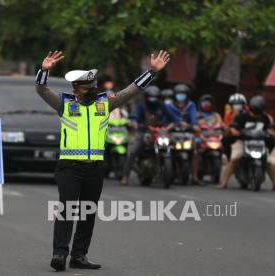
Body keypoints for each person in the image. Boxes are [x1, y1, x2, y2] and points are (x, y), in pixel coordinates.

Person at [34, 50, 170, 271]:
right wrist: (44, 71)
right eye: (86, 88)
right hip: (69, 167)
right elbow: (41, 89)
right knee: (67, 210)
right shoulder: (64, 103)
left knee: (87, 213)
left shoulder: (104, 103)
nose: (91, 91)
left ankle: (79, 255)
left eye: (93, 87)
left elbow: (131, 90)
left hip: (95, 168)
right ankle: (59, 254)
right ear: (75, 88)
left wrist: (152, 72)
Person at [218, 96, 275, 189]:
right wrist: (235, 131)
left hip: (259, 143)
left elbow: (270, 129)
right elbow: (233, 127)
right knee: (234, 159)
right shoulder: (242, 117)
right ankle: (224, 182)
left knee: (269, 162)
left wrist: (271, 133)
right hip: (242, 142)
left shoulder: (266, 118)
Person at [119, 85, 170, 185]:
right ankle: (125, 176)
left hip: (160, 132)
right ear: (146, 97)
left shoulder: (161, 106)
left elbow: (170, 117)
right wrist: (134, 122)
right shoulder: (141, 106)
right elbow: (134, 116)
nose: (153, 100)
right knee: (132, 152)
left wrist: (178, 123)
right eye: (151, 97)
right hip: (144, 132)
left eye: (155, 97)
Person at [192, 94, 223, 183]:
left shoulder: (216, 115)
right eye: (205, 103)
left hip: (213, 137)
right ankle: (195, 173)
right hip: (201, 138)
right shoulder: (197, 115)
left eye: (209, 103)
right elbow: (195, 125)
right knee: (196, 151)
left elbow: (220, 124)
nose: (207, 104)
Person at [222, 93, 247, 159]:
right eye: (234, 104)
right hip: (233, 136)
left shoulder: (247, 114)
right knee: (225, 140)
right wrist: (233, 117)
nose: (237, 106)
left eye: (239, 104)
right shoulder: (228, 114)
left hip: (245, 135)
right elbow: (226, 128)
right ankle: (228, 157)